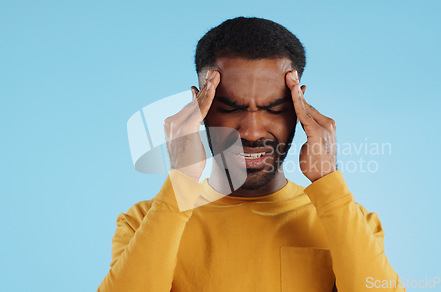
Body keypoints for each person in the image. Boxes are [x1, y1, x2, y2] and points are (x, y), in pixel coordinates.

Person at [98, 17, 405, 292]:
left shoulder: (350, 221)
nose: (252, 131)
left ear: (299, 108)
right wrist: (182, 179)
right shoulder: (142, 223)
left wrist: (329, 183)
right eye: (231, 108)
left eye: (274, 109)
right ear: (197, 108)